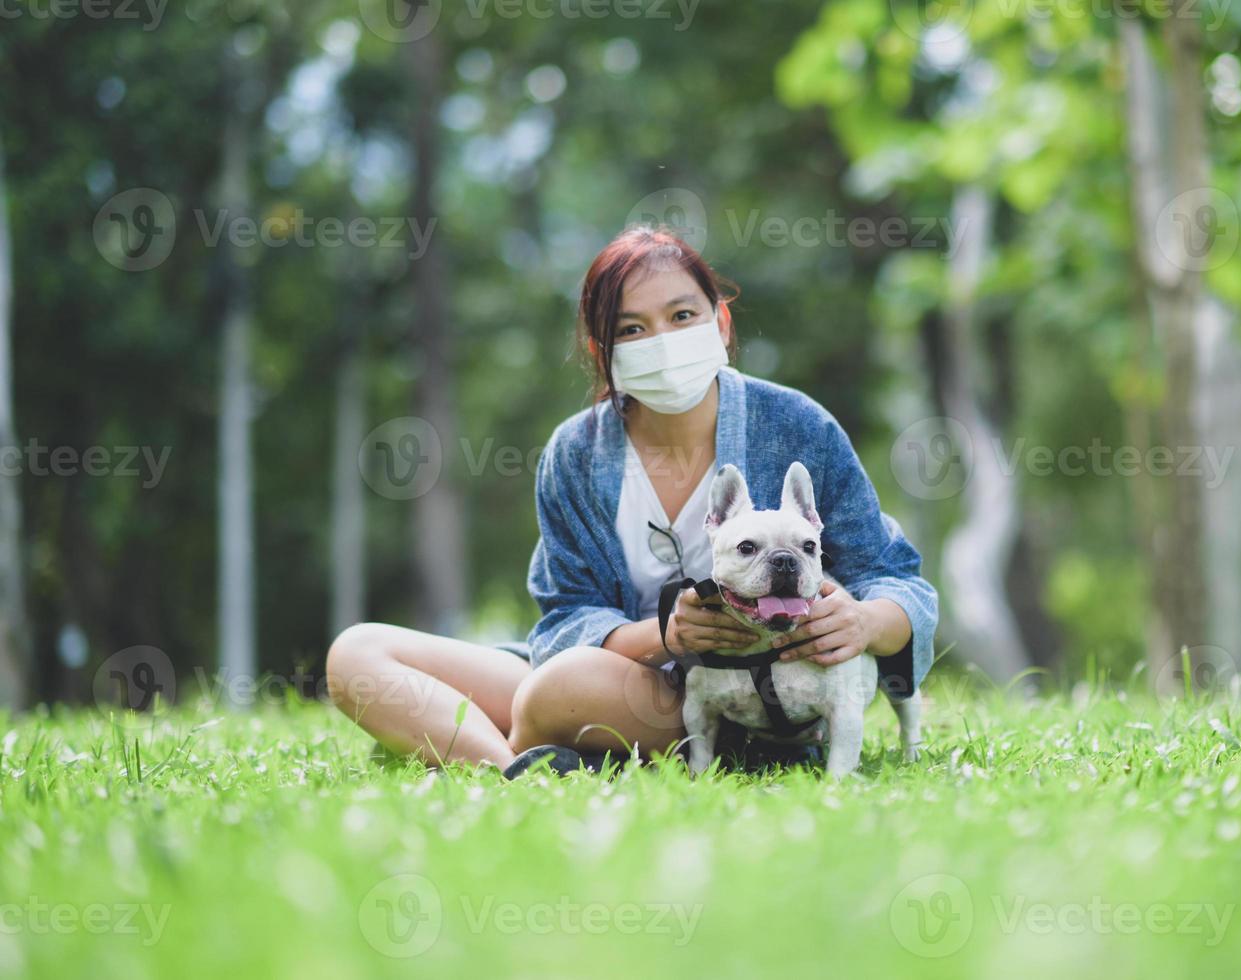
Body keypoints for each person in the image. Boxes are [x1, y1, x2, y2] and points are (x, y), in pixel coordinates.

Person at [325, 226, 938, 776]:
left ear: (719, 322)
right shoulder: (576, 453)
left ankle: (513, 746)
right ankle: (513, 773)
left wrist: (862, 622)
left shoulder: (798, 425)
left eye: (681, 315)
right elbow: (565, 616)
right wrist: (663, 635)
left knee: (556, 689)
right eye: (632, 329)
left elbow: (895, 579)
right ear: (603, 353)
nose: (663, 341)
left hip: (745, 695)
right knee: (358, 655)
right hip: (613, 673)